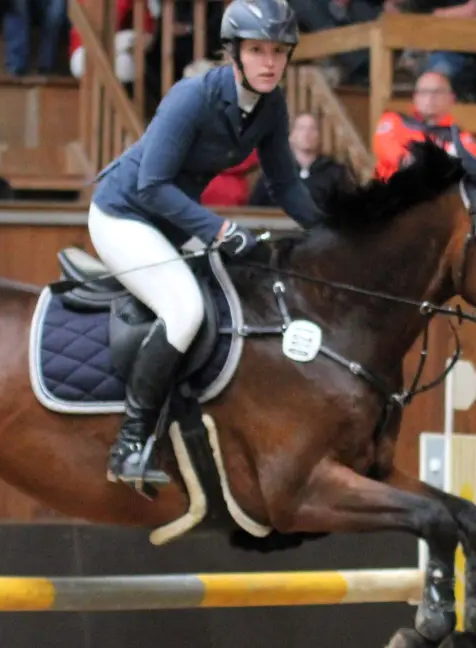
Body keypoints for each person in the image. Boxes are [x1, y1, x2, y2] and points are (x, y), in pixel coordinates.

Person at [86, 0, 321, 490]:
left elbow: (284, 185)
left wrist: (331, 229)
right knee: (186, 309)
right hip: (122, 215)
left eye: (278, 51)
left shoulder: (271, 106)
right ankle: (129, 444)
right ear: (234, 53)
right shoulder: (190, 97)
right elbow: (151, 186)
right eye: (257, 50)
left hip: (171, 224)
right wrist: (218, 229)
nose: (269, 62)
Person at [372, 69, 476, 181]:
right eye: (424, 92)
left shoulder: (460, 136)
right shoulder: (393, 121)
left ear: (451, 98)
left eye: (438, 92)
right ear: (415, 97)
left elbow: (469, 159)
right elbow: (387, 150)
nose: (430, 97)